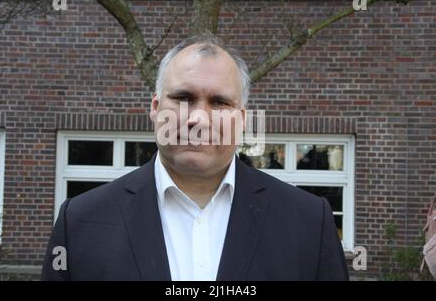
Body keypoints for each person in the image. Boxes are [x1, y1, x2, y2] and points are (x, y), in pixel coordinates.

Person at [41, 35, 349, 281]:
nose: (198, 118)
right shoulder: (79, 222)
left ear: (241, 118)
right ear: (155, 106)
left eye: (219, 102)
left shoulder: (309, 223)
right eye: (183, 98)